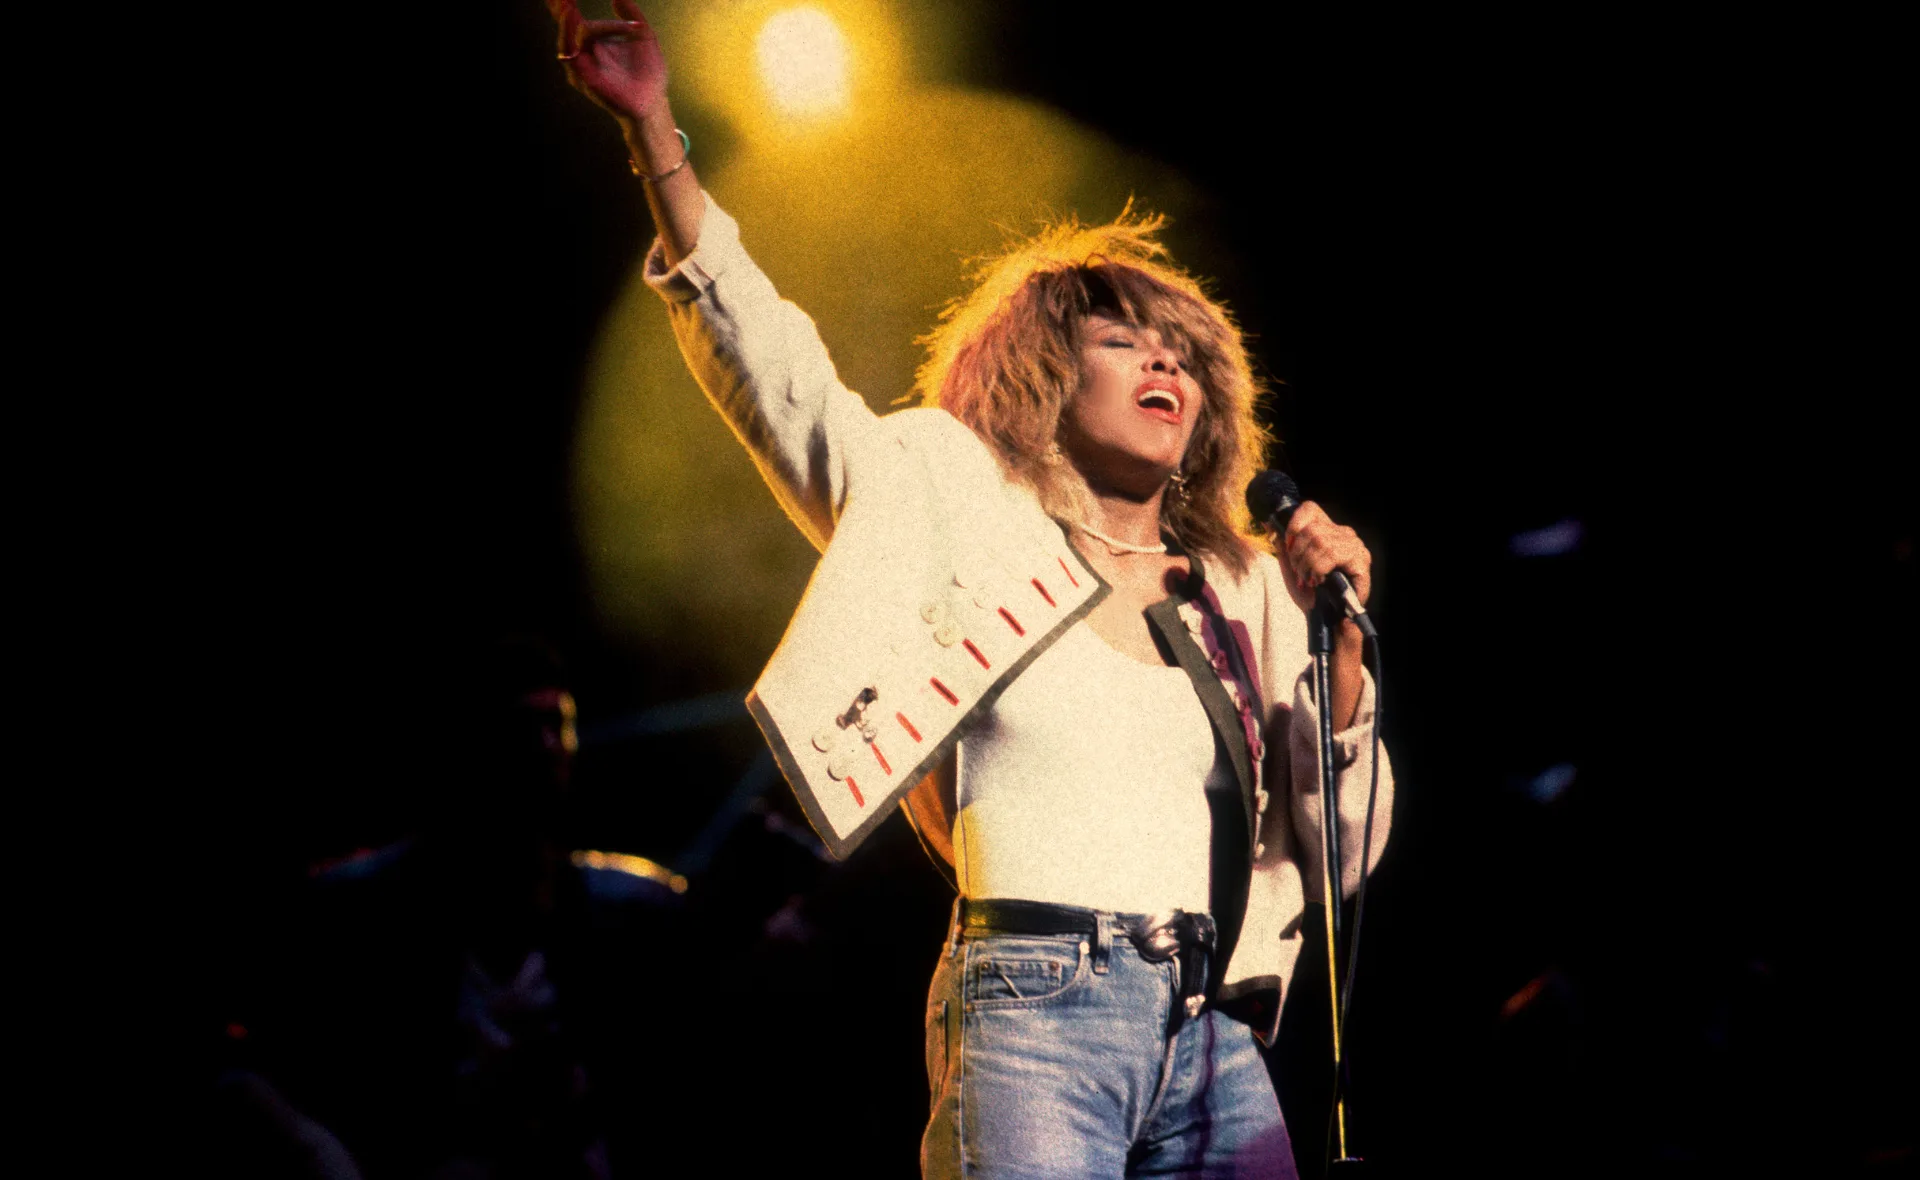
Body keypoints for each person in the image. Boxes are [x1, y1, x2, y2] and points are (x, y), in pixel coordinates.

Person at [548, 4, 1394, 1176]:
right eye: (1124, 340)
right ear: (1047, 371)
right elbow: (783, 388)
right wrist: (656, 134)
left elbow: (1336, 859)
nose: (1166, 362)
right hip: (1037, 1001)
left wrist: (1342, 667)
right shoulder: (964, 506)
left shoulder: (1242, 589)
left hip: (1213, 1033)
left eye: (1186, 354)